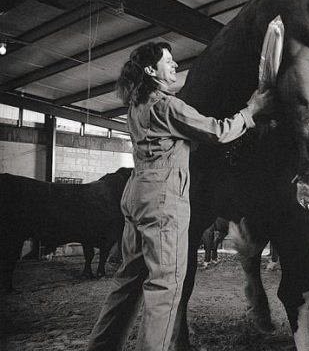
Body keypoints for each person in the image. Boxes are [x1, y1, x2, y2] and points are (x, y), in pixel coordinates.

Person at [87, 41, 274, 351]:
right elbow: (218, 131)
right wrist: (251, 111)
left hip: (135, 194)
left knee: (128, 280)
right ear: (151, 70)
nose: (175, 66)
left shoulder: (136, 103)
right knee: (165, 286)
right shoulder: (167, 105)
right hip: (163, 198)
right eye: (168, 61)